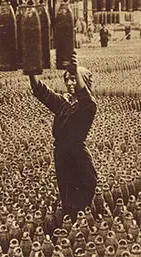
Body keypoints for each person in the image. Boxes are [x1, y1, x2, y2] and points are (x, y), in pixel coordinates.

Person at [28, 52, 97, 222]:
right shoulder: (62, 103)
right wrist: (31, 72)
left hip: (77, 150)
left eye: (74, 78)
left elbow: (87, 100)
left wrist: (75, 70)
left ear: (84, 82)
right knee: (66, 186)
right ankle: (71, 218)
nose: (70, 82)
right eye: (67, 79)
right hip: (61, 152)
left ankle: (83, 215)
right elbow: (41, 91)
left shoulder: (87, 106)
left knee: (89, 180)